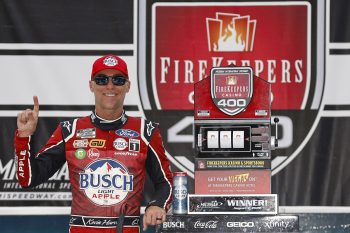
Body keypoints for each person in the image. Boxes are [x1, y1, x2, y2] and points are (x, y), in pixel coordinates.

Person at [14, 55, 173, 233]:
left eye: (118, 80)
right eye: (102, 79)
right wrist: (24, 137)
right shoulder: (70, 130)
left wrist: (157, 204)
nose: (110, 86)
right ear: (91, 85)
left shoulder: (146, 131)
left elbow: (165, 182)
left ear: (128, 86)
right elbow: (28, 179)